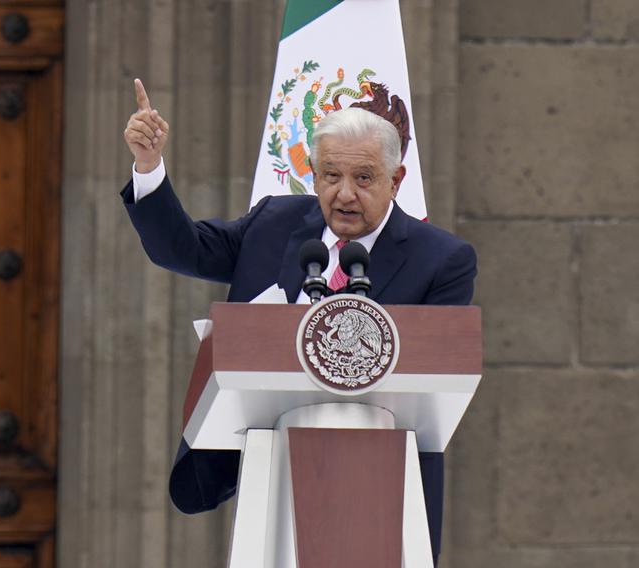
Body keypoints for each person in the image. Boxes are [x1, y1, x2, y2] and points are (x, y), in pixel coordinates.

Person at [121, 79, 476, 564]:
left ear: (396, 180)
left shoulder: (442, 260)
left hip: (385, 482)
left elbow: (439, 373)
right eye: (330, 176)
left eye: (365, 179)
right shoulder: (274, 223)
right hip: (274, 463)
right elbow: (181, 248)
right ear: (312, 175)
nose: (344, 194)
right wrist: (148, 166)